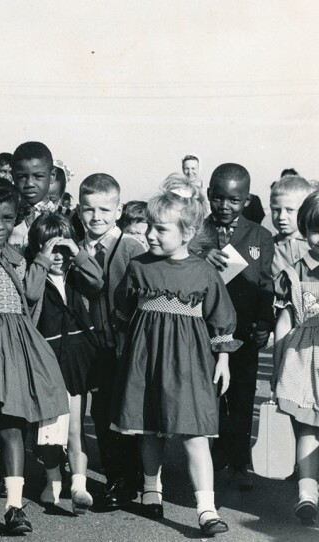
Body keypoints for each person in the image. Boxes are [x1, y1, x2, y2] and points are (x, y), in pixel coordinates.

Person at [113, 189, 238, 536]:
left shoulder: (203, 272)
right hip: (145, 359)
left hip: (188, 362)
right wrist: (127, 346)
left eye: (161, 229)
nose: (151, 234)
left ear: (186, 233)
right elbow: (122, 307)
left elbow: (221, 316)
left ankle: (206, 509)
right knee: (150, 428)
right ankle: (152, 489)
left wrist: (223, 358)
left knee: (194, 433)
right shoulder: (138, 267)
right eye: (149, 226)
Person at [0, 176, 69, 535]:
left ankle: (14, 505)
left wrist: (40, 260)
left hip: (17, 346)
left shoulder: (18, 257)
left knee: (13, 424)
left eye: (7, 218)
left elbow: (32, 297)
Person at [189, 163, 274, 491]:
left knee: (241, 394)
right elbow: (179, 255)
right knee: (208, 393)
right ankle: (214, 454)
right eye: (218, 198)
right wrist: (201, 251)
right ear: (209, 194)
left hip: (244, 331)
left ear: (247, 199)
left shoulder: (259, 236)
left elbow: (266, 283)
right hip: (202, 328)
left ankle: (239, 462)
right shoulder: (195, 230)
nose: (224, 206)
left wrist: (264, 322)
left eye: (234, 200)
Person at [26, 213, 103, 515]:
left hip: (75, 360)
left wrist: (77, 250)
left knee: (75, 428)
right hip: (46, 362)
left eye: (62, 249)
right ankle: (52, 481)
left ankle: (79, 486)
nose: (58, 255)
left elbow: (97, 281)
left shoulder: (75, 275)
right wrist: (41, 261)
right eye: (50, 248)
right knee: (48, 430)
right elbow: (31, 294)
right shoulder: (35, 274)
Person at [77, 173, 145, 510]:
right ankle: (112, 475)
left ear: (118, 210)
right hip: (90, 344)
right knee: (100, 413)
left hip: (124, 346)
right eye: (88, 209)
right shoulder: (75, 245)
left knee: (124, 412)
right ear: (79, 210)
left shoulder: (132, 248)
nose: (96, 217)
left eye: (105, 209)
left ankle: (127, 480)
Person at [272, 190, 319, 525]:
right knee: (306, 427)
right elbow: (285, 321)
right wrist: (277, 367)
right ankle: (307, 492)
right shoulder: (295, 272)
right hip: (304, 360)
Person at [9, 142, 59, 248]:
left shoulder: (64, 217)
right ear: (12, 176)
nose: (29, 184)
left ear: (52, 175)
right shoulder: (6, 215)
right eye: (22, 176)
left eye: (38, 176)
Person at [270, 176, 313, 277]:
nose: (281, 217)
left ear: (305, 210)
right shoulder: (267, 247)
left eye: (290, 210)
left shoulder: (315, 244)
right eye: (276, 210)